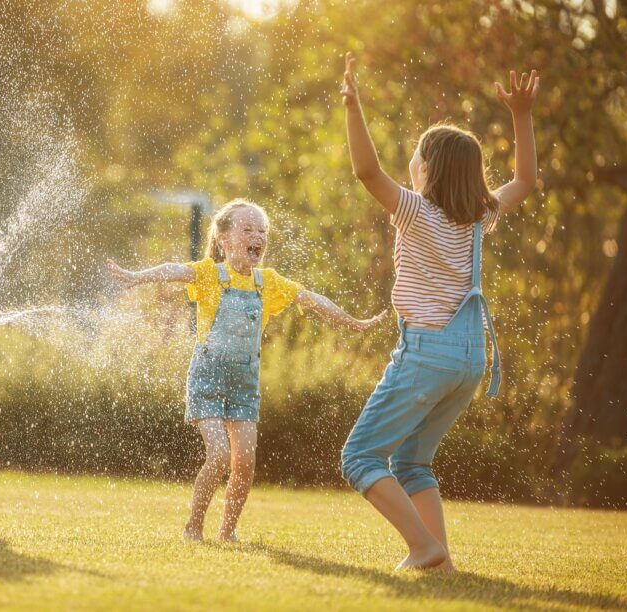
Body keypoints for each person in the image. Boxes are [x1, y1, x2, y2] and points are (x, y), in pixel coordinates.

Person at [340, 52, 540, 569]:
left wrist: (353, 106)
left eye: (415, 157)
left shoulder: (417, 210)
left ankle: (422, 546)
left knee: (359, 456)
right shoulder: (478, 217)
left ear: (425, 169)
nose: (410, 163)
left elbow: (365, 170)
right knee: (411, 460)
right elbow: (525, 181)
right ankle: (440, 561)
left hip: (426, 354)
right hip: (468, 363)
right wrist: (521, 115)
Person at [107, 199, 385, 542]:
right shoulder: (210, 274)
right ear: (223, 239)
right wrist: (136, 278)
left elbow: (312, 299)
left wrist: (354, 323)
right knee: (220, 455)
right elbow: (173, 270)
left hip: (244, 384)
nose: (258, 236)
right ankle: (193, 526)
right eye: (248, 229)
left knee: (245, 462)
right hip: (207, 379)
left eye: (262, 231)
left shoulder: (267, 283)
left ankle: (228, 531)